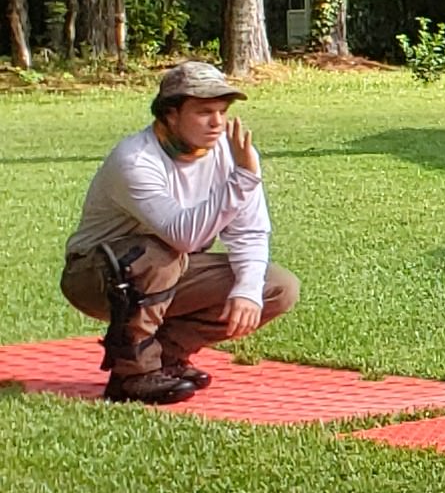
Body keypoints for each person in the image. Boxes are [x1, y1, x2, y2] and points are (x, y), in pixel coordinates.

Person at [62, 61, 299, 405]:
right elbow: (182, 236)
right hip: (93, 278)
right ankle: (133, 376)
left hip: (168, 267)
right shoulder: (135, 159)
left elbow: (250, 231)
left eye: (222, 111)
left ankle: (167, 358)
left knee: (277, 286)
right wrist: (244, 179)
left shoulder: (230, 155)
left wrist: (248, 290)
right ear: (170, 115)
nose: (217, 122)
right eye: (204, 111)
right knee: (162, 254)